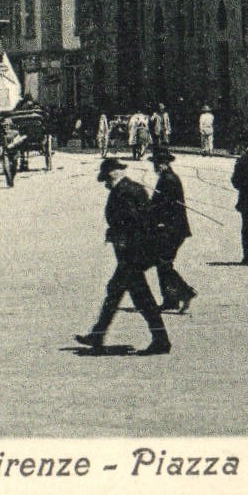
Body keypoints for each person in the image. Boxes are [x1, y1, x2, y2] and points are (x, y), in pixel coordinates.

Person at [75, 158, 171, 355]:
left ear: (113, 175)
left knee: (142, 298)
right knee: (115, 291)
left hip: (132, 254)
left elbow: (133, 222)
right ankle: (98, 334)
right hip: (133, 252)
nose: (105, 185)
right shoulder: (132, 188)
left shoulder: (124, 192)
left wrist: (117, 235)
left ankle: (161, 340)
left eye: (106, 181)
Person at [148, 146, 197, 312]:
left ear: (163, 164)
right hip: (172, 228)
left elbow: (165, 207)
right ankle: (170, 299)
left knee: (163, 263)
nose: (155, 166)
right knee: (162, 262)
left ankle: (184, 292)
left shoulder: (168, 179)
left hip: (172, 229)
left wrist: (158, 220)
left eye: (157, 163)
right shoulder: (167, 177)